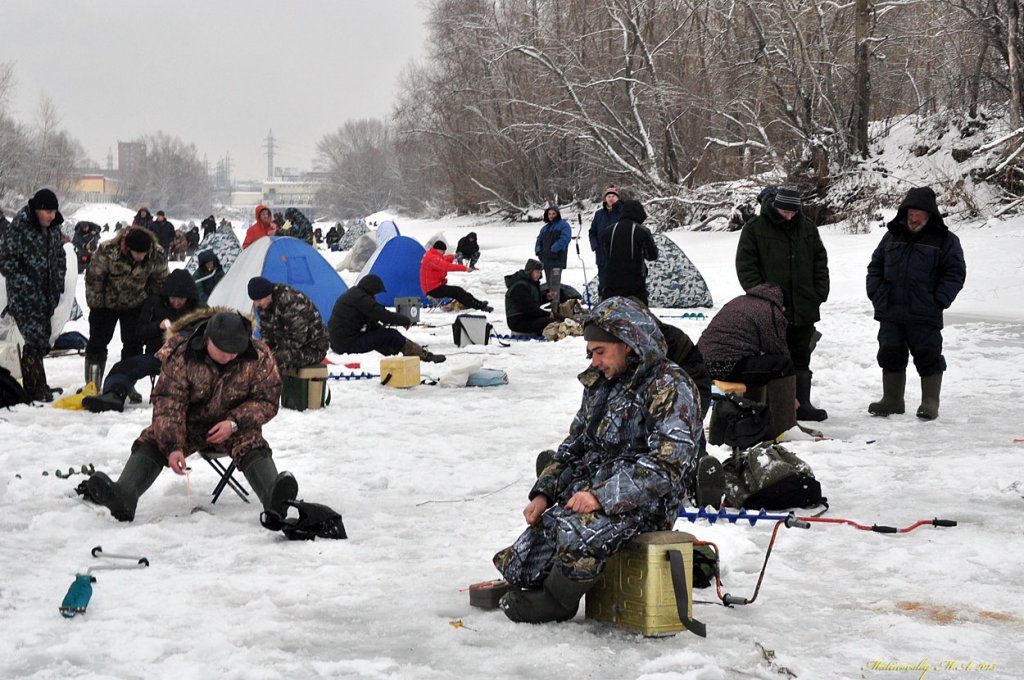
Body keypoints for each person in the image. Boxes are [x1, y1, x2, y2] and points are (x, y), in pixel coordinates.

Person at [493, 297, 702, 623]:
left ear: (629, 344)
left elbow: (668, 465)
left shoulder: (669, 386)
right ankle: (539, 581)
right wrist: (544, 493)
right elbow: (575, 445)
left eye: (600, 351)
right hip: (590, 489)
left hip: (644, 504)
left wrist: (601, 497)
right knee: (520, 566)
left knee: (577, 531)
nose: (595, 360)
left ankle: (557, 601)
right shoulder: (600, 383)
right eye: (591, 352)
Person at [85, 311, 298, 522]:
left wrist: (233, 422)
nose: (232, 356)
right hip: (188, 425)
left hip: (234, 426)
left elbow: (267, 401)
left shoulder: (259, 355)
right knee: (153, 437)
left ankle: (274, 500)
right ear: (208, 340)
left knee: (252, 441)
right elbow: (168, 402)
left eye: (236, 351)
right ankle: (125, 494)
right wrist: (172, 446)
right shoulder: (182, 354)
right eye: (225, 351)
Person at [866, 186, 966, 420]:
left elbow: (954, 273)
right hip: (891, 309)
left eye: (918, 213)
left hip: (924, 311)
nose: (913, 217)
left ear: (930, 214)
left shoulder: (946, 240)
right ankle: (892, 400)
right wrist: (877, 294)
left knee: (928, 354)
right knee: (890, 351)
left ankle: (929, 402)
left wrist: (939, 300)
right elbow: (875, 266)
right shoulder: (892, 235)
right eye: (910, 212)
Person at [736, 186, 830, 421]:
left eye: (793, 212)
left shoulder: (807, 227)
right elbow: (746, 268)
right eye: (784, 211)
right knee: (773, 358)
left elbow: (820, 261)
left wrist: (819, 292)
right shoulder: (754, 229)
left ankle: (802, 404)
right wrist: (764, 298)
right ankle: (776, 406)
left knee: (801, 356)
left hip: (804, 306)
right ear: (774, 206)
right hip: (770, 309)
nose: (789, 216)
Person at [82, 269, 205, 413]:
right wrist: (158, 327)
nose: (176, 302)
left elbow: (207, 335)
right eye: (173, 298)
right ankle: (113, 395)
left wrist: (184, 334)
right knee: (122, 367)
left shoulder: (200, 309)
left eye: (181, 299)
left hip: (189, 359)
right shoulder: (154, 304)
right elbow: (139, 333)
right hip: (156, 356)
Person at [697, 283, 797, 437]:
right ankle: (785, 429)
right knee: (783, 366)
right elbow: (779, 349)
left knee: (757, 366)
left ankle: (754, 418)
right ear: (782, 304)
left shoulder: (740, 301)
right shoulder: (770, 311)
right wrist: (791, 398)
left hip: (701, 362)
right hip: (725, 365)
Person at [0, 189, 67, 401]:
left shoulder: (54, 229)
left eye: (54, 212)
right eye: (48, 212)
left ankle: (40, 384)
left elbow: (59, 255)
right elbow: (5, 261)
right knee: (34, 340)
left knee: (42, 340)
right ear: (37, 209)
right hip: (24, 297)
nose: (52, 216)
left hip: (47, 295)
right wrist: (26, 285)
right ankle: (33, 388)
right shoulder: (19, 228)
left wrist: (58, 279)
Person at [84, 227, 170, 389]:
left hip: (136, 305)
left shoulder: (156, 255)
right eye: (137, 253)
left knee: (134, 345)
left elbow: (160, 282)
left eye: (143, 253)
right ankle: (92, 385)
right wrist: (96, 306)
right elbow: (94, 277)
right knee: (97, 342)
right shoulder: (108, 250)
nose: (140, 257)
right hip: (105, 304)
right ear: (127, 248)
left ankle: (125, 385)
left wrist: (152, 308)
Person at [328, 274, 446, 363]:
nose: (376, 296)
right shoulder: (361, 299)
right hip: (346, 344)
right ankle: (424, 357)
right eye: (376, 293)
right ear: (372, 290)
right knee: (391, 335)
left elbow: (372, 322)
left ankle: (401, 354)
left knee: (383, 334)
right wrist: (404, 320)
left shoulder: (355, 295)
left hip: (340, 342)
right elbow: (384, 315)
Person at [246, 277, 329, 372]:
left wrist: (273, 352)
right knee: (259, 357)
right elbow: (266, 332)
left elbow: (297, 339)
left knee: (278, 359)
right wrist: (263, 350)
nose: (257, 304)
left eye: (259, 300)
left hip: (312, 348)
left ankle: (272, 386)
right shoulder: (264, 305)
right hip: (287, 346)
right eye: (254, 301)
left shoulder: (291, 302)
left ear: (268, 294)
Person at [601, 199, 658, 304]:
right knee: (637, 314)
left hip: (611, 281)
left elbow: (605, 251)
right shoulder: (642, 231)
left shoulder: (609, 230)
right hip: (635, 283)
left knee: (611, 314)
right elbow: (652, 255)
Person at [420, 241, 493, 312]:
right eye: (443, 251)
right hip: (433, 289)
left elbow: (443, 260)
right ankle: (478, 305)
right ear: (438, 249)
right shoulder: (432, 258)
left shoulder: (432, 255)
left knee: (458, 291)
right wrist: (465, 268)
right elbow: (446, 266)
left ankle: (476, 303)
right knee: (458, 291)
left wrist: (454, 256)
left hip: (433, 287)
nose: (444, 253)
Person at [504, 259, 558, 336]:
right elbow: (529, 308)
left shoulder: (529, 283)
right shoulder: (519, 286)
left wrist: (546, 297)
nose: (539, 275)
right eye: (536, 272)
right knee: (549, 321)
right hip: (518, 321)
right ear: (530, 271)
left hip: (527, 317)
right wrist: (547, 314)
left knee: (553, 319)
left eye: (540, 272)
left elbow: (531, 301)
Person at [534, 206, 572, 305]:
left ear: (557, 214)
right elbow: (538, 240)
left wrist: (554, 249)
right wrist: (538, 251)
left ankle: (556, 306)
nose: (551, 216)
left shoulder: (564, 225)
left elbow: (565, 239)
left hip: (557, 259)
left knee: (555, 283)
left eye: (553, 214)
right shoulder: (544, 228)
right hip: (546, 260)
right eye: (549, 214)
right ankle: (553, 304)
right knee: (549, 284)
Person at [588, 186, 622, 295]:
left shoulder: (623, 212)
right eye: (608, 196)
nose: (611, 198)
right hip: (602, 254)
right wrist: (595, 246)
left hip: (618, 255)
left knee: (618, 283)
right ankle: (602, 305)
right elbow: (592, 231)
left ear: (617, 198)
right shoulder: (599, 214)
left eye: (613, 196)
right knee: (603, 284)